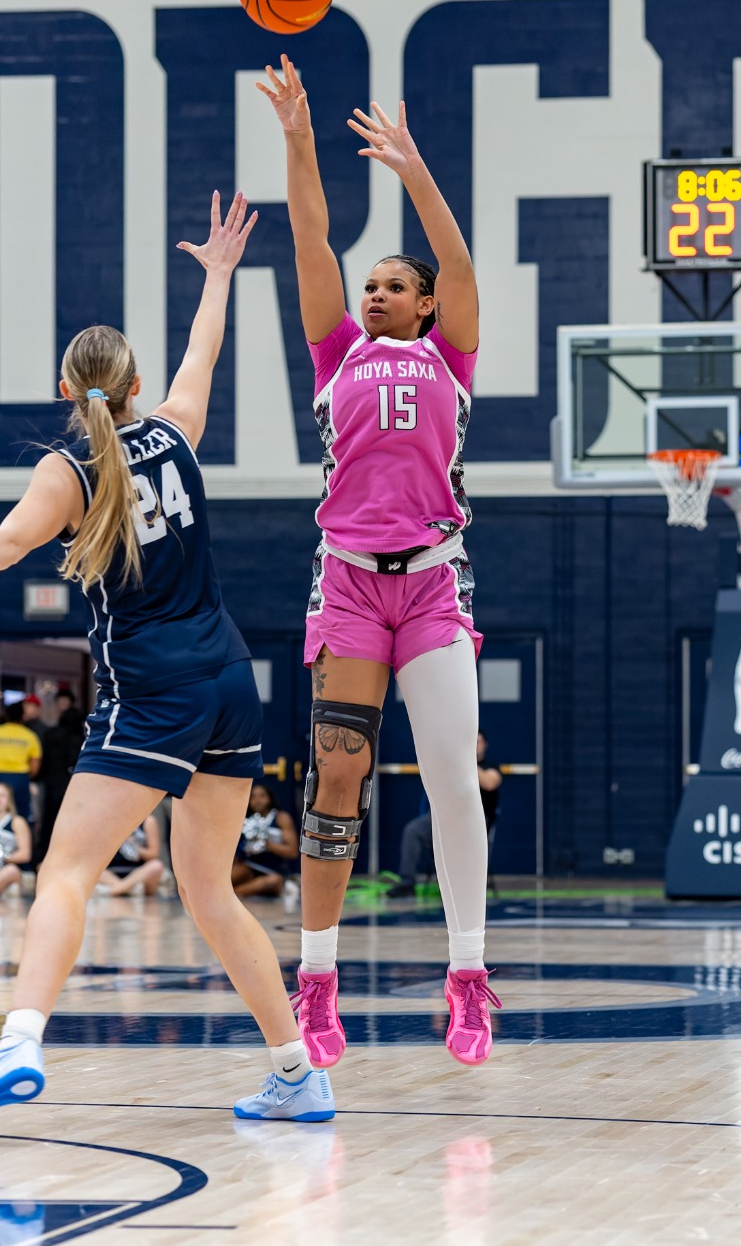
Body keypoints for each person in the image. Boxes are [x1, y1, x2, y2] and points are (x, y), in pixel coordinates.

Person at [0, 191, 334, 1138]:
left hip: (154, 691)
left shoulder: (67, 472)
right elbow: (202, 355)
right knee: (207, 890)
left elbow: (5, 543)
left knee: (66, 870)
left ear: (67, 392)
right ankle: (297, 1069)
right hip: (229, 683)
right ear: (131, 388)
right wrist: (216, 279)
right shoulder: (174, 431)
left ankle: (21, 1040)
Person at [259, 55, 497, 1068]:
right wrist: (299, 139)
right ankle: (315, 983)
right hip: (349, 578)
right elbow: (310, 236)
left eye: (393, 284)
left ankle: (467, 977)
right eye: (370, 284)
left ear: (427, 305)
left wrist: (413, 171)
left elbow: (459, 258)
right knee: (336, 777)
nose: (373, 291)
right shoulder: (333, 352)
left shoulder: (451, 354)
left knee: (450, 774)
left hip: (433, 580)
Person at [386, 732, 504, 899]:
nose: (475, 745)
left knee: (458, 836)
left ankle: (462, 886)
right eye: (471, 742)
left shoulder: (490, 766)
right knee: (413, 829)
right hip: (445, 816)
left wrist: (466, 761)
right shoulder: (453, 767)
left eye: (478, 742)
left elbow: (489, 783)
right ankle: (407, 882)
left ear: (485, 745)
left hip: (473, 821)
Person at [33, 688, 87, 865]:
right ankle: (68, 861)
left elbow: (45, 760)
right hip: (72, 784)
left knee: (49, 822)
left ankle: (44, 859)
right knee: (71, 824)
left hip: (53, 784)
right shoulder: (81, 739)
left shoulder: (50, 734)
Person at [234, 782, 299, 899]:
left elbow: (292, 851)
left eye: (262, 796)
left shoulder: (281, 818)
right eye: (253, 797)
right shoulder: (245, 819)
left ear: (270, 798)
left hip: (272, 871)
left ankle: (233, 895)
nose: (257, 800)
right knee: (231, 874)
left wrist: (267, 844)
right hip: (249, 867)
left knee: (273, 881)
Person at [0, 704, 41, 821]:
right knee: (20, 815)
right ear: (22, 716)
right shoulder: (30, 735)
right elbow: (35, 767)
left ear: (6, 715)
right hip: (20, 779)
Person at [97, 814, 166, 897]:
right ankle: (127, 889)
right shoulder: (107, 820)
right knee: (89, 866)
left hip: (138, 872)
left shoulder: (148, 821)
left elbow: (154, 853)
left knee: (156, 866)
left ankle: (116, 889)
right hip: (111, 872)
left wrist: (132, 848)